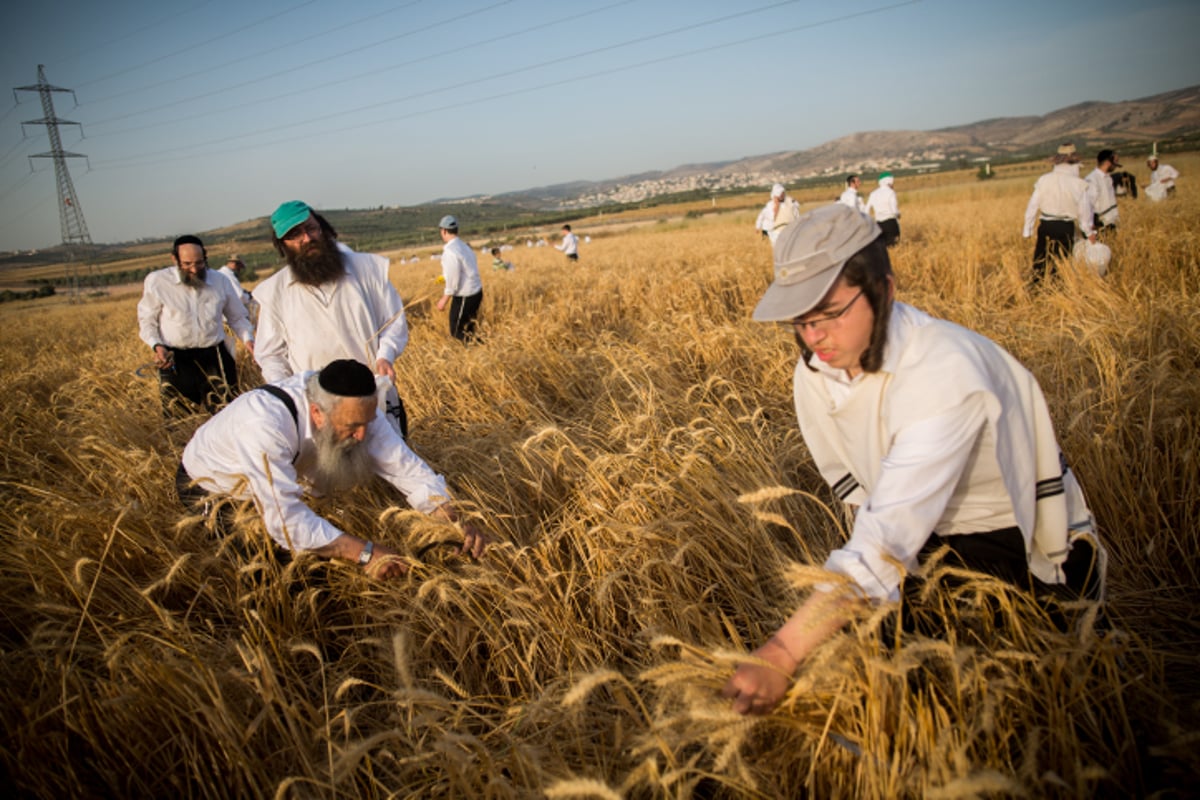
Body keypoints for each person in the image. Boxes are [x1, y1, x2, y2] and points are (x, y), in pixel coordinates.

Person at [721, 204, 1105, 716]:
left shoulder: (943, 372)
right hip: (918, 534)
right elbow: (866, 502)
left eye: (831, 313)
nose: (814, 337)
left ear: (885, 289)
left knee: (1052, 698)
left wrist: (785, 650)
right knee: (909, 690)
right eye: (800, 319)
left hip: (1015, 536)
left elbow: (885, 542)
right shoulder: (815, 371)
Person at [179, 359, 489, 575]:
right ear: (316, 413)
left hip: (272, 480)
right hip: (213, 487)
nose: (363, 436)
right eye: (353, 427)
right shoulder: (264, 425)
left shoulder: (356, 409)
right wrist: (366, 554)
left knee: (316, 559)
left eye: (367, 423)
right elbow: (285, 520)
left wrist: (451, 520)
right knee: (264, 573)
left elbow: (405, 467)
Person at [253, 201, 411, 437]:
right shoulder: (274, 292)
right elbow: (270, 354)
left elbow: (394, 321)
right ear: (282, 245)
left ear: (323, 227)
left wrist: (385, 356)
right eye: (294, 235)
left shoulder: (368, 269)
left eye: (311, 228)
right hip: (318, 408)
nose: (306, 238)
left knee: (389, 461)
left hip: (371, 394)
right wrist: (290, 395)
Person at [137, 235, 255, 415]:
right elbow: (147, 319)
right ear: (174, 259)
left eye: (199, 263)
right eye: (187, 264)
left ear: (205, 258)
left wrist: (248, 340)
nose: (194, 269)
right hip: (176, 360)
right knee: (178, 420)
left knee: (227, 416)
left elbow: (237, 317)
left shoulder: (220, 281)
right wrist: (157, 345)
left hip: (215, 357)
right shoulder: (157, 281)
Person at [1022, 143, 1095, 284]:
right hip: (1065, 227)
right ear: (1075, 162)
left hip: (1046, 226)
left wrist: (1027, 230)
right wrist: (1089, 232)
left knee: (1040, 262)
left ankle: (1036, 291)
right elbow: (1084, 212)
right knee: (1062, 265)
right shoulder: (1078, 184)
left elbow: (1032, 206)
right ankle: (1058, 294)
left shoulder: (1044, 180)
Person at [436, 215, 484, 342]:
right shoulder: (464, 246)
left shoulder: (450, 251)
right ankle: (479, 353)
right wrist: (443, 278)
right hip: (476, 292)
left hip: (465, 295)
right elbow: (462, 269)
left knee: (457, 331)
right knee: (469, 330)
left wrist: (444, 300)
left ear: (444, 231)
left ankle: (483, 347)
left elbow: (454, 278)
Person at [1085, 150, 1121, 234]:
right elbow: (1088, 204)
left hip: (1111, 222)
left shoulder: (1108, 178)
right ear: (1108, 162)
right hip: (1100, 224)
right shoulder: (1092, 179)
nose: (1116, 165)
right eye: (1115, 161)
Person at [864, 172, 900, 246]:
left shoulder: (873, 194)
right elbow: (894, 209)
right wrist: (898, 214)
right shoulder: (891, 192)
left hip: (878, 224)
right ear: (889, 181)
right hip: (890, 222)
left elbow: (866, 209)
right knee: (893, 244)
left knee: (883, 246)